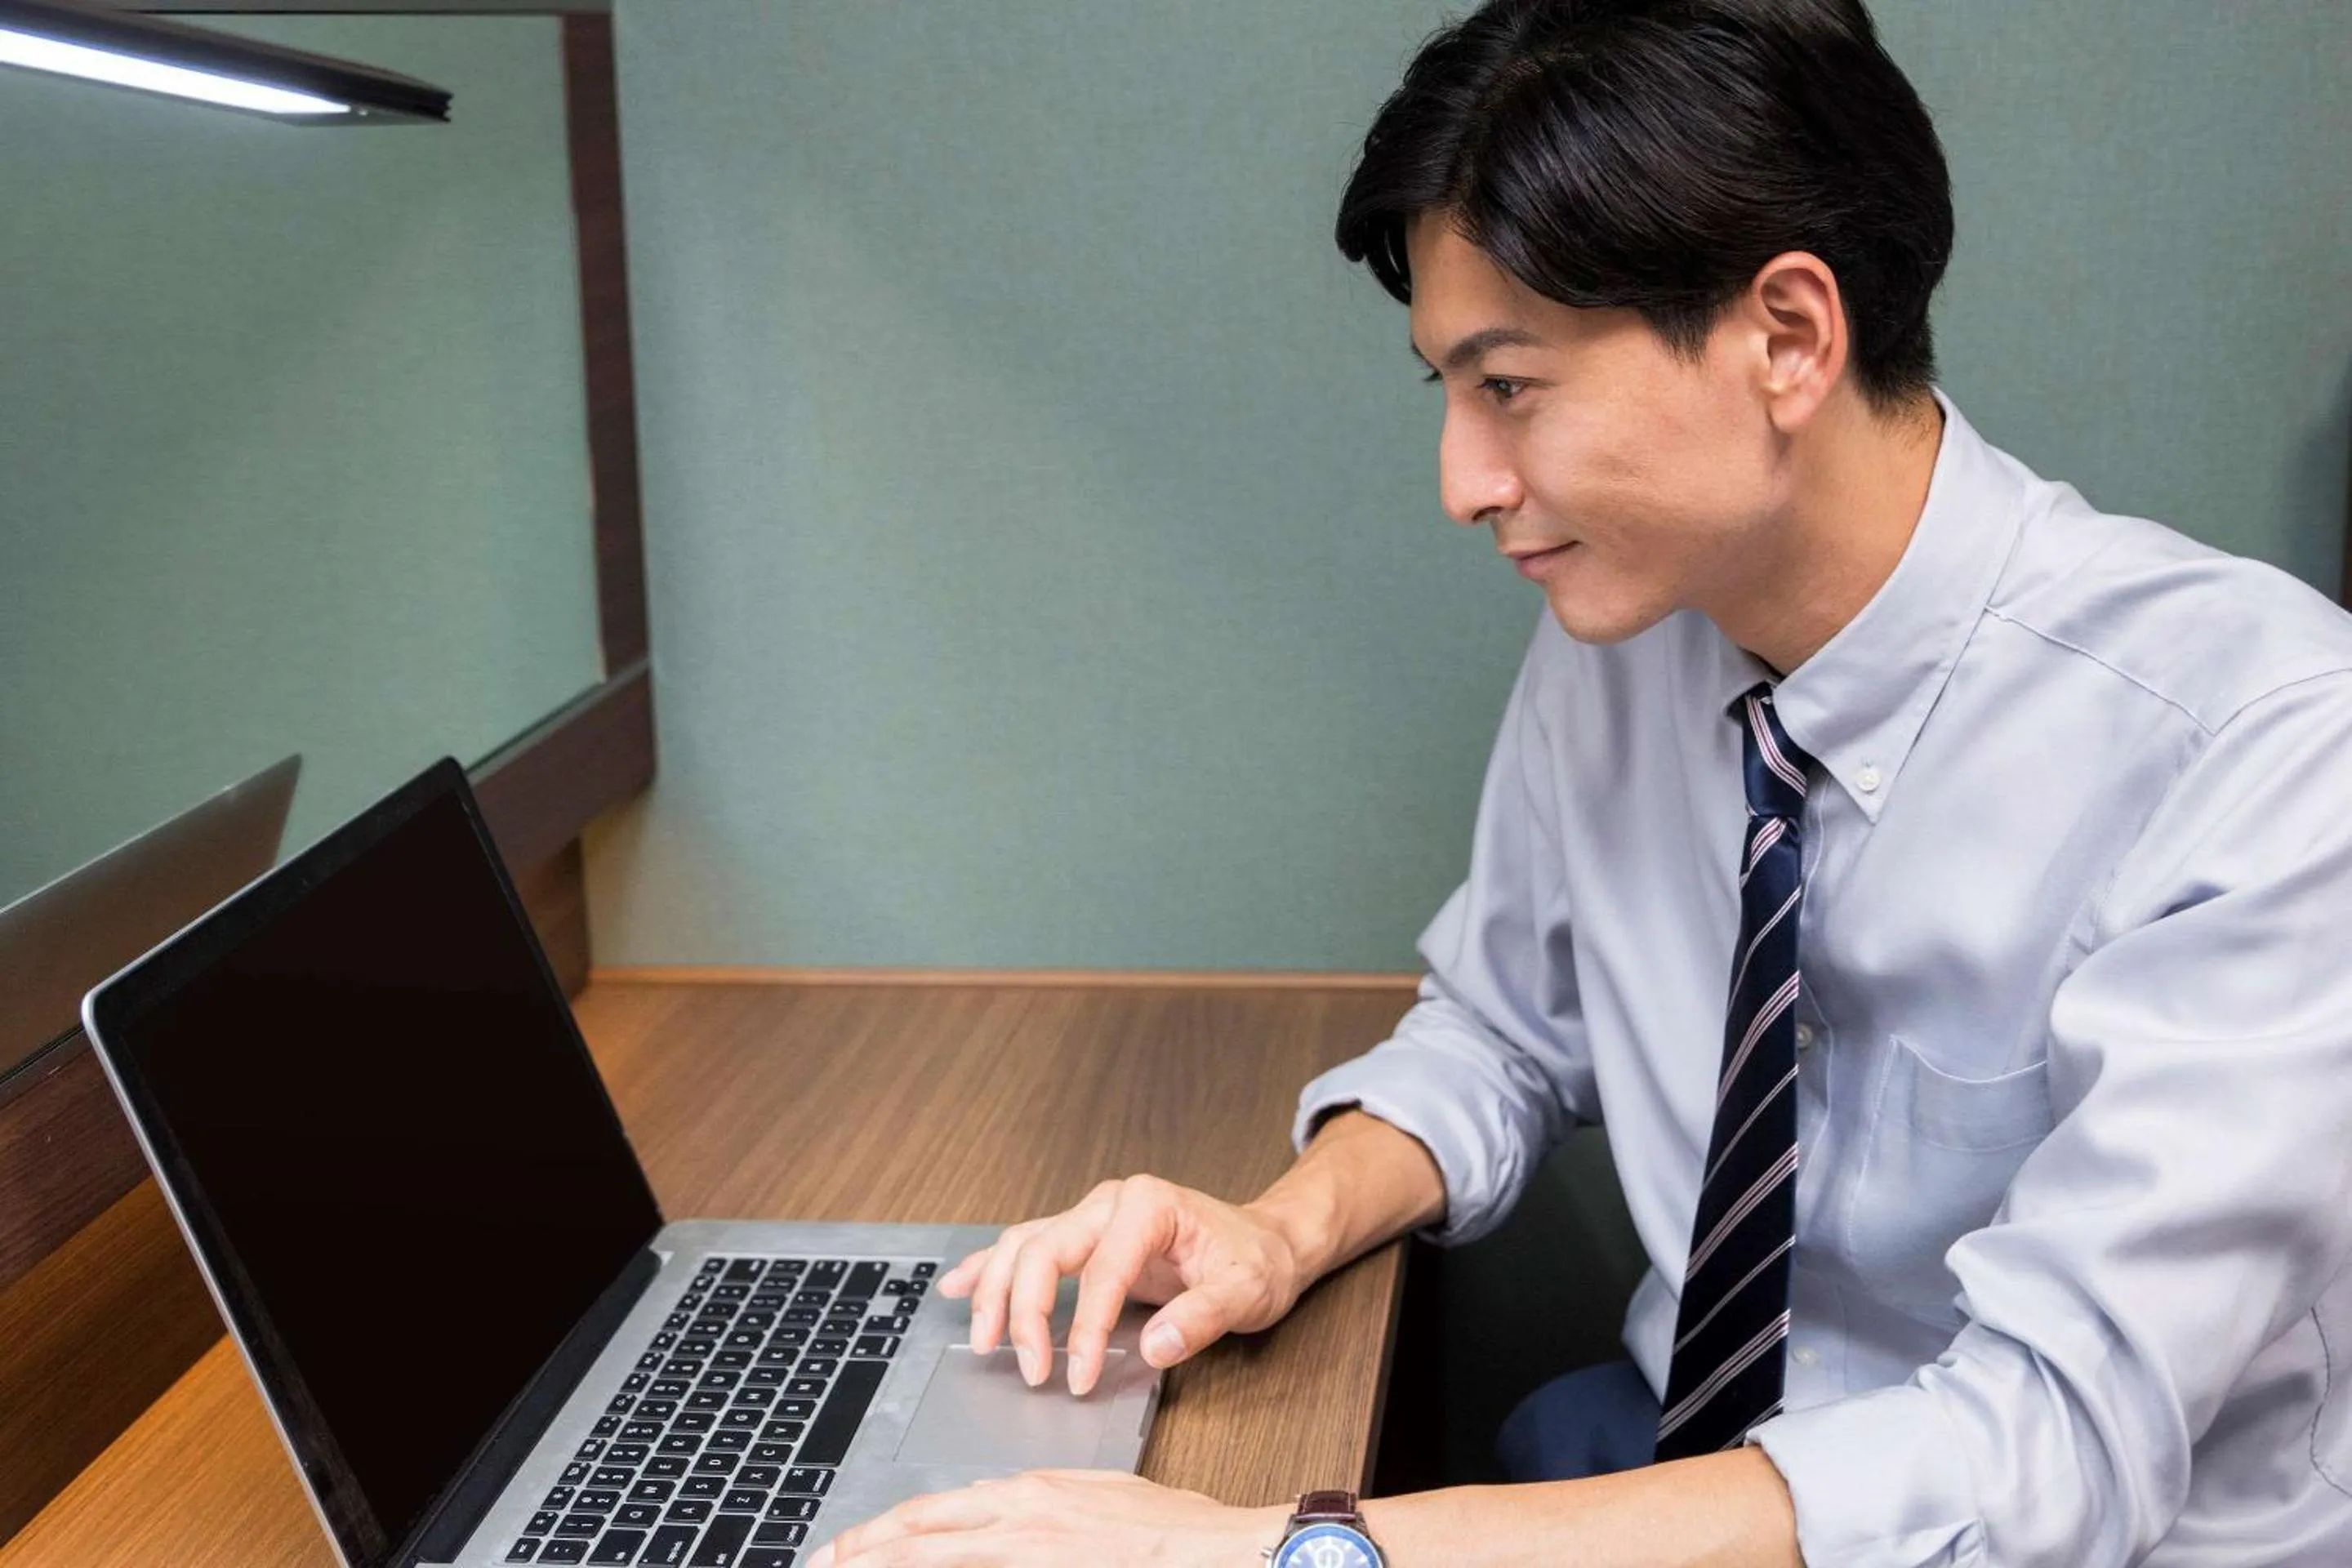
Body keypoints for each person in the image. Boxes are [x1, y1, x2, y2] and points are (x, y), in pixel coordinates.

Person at [809, 0, 2352, 1562]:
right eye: (1450, 395)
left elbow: (2046, 1450)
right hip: (1669, 1457)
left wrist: (1273, 1546)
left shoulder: (2266, 744)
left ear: (1789, 337)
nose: (1466, 486)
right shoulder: (1630, 620)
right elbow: (1501, 1030)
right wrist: (1276, 1230)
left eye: (1513, 388)